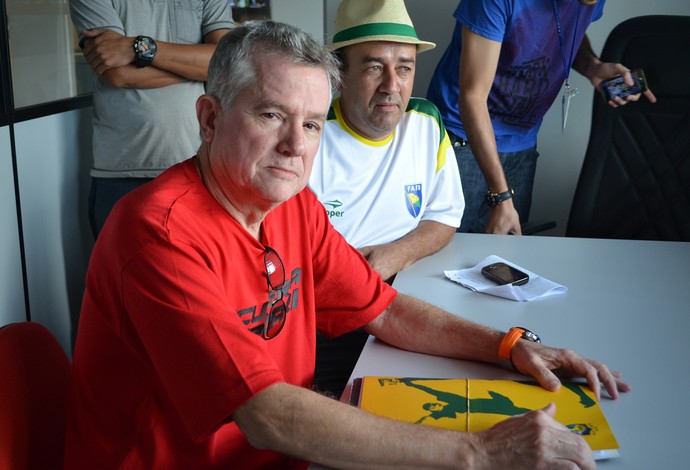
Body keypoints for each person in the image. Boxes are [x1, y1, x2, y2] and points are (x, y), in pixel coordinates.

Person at [65, 20, 629, 470]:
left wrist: (508, 346)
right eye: (270, 115)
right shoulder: (159, 234)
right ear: (209, 119)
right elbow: (264, 414)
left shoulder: (292, 207)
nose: (294, 146)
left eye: (312, 125)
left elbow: (383, 310)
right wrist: (478, 453)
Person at [308, 0, 464, 397]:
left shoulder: (425, 122)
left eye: (405, 67)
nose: (392, 85)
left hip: (410, 295)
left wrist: (397, 254)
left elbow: (444, 216)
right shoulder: (307, 137)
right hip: (327, 318)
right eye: (374, 66)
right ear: (339, 74)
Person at [427, 0, 657, 234]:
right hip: (461, 137)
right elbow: (473, 97)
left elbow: (562, 30)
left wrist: (592, 67)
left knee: (503, 256)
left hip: (522, 141)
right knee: (448, 250)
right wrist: (501, 196)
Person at [69, 0, 234, 238]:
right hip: (123, 175)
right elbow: (117, 73)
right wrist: (196, 67)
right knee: (121, 273)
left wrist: (141, 47)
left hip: (197, 168)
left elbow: (226, 61)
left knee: (199, 273)